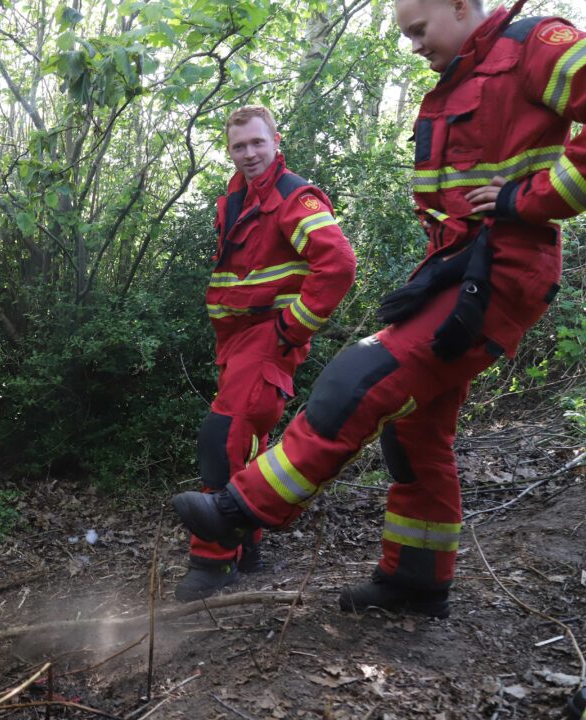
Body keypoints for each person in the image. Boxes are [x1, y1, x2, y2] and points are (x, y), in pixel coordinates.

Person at [173, 0, 585, 617]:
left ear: (459, 5)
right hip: (455, 268)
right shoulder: (460, 76)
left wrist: (532, 196)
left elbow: (335, 263)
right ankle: (417, 579)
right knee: (415, 431)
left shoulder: (538, 45)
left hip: (500, 269)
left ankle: (239, 512)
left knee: (357, 380)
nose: (413, 45)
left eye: (419, 29)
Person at [176, 105, 356, 601]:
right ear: (229, 151)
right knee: (244, 442)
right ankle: (248, 545)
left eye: (257, 143)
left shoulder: (293, 197)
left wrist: (292, 328)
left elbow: (337, 264)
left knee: (222, 437)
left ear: (276, 141)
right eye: (239, 146)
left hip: (267, 341)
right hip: (235, 343)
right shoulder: (234, 198)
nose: (249, 153)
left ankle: (212, 563)